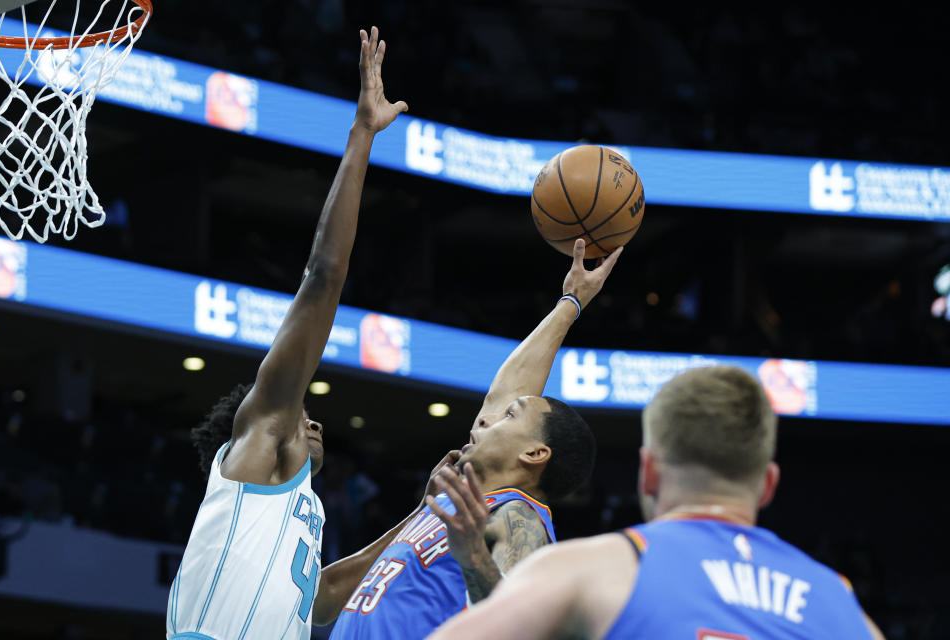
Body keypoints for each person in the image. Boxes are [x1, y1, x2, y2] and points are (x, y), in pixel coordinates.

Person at [166, 26, 413, 640]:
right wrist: (362, 136)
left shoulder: (297, 509)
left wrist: (431, 513)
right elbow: (323, 276)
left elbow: (328, 591)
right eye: (301, 413)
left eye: (305, 416)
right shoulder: (256, 447)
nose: (314, 420)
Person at [429, 365, 887, 640]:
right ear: (768, 485)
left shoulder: (592, 568)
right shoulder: (839, 602)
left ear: (648, 473)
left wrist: (471, 559)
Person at [326, 238, 622, 639]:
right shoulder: (457, 505)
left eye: (509, 417)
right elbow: (324, 600)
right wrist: (571, 301)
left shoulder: (519, 516)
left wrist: (475, 558)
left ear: (535, 453)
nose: (485, 423)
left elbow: (519, 628)